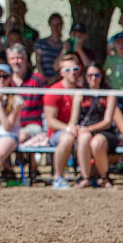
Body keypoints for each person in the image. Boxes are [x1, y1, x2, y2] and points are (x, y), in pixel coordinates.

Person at [73, 64, 117, 188]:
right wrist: (74, 128)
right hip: (85, 129)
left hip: (105, 131)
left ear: (101, 76)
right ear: (85, 77)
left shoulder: (109, 94)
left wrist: (88, 129)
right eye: (90, 75)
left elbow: (107, 121)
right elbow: (74, 119)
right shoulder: (80, 94)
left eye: (96, 75)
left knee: (97, 143)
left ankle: (104, 177)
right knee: (84, 138)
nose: (93, 78)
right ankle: (86, 177)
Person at [43, 53, 82, 189]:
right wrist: (68, 128)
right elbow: (50, 122)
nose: (72, 73)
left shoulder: (82, 90)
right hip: (57, 134)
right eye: (68, 70)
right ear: (61, 73)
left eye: (75, 69)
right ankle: (58, 177)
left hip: (79, 131)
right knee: (67, 138)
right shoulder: (54, 91)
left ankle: (90, 177)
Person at [5, 43, 47, 142]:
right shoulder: (6, 81)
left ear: (25, 59)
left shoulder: (38, 80)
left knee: (21, 137)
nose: (16, 62)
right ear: (8, 61)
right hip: (10, 125)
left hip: (34, 126)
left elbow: (47, 106)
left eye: (19, 58)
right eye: (12, 58)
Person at [35, 13, 65, 84]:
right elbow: (38, 64)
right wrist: (45, 79)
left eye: (58, 25)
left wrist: (55, 79)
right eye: (53, 25)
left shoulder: (64, 46)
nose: (56, 28)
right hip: (44, 81)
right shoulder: (41, 43)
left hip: (60, 82)